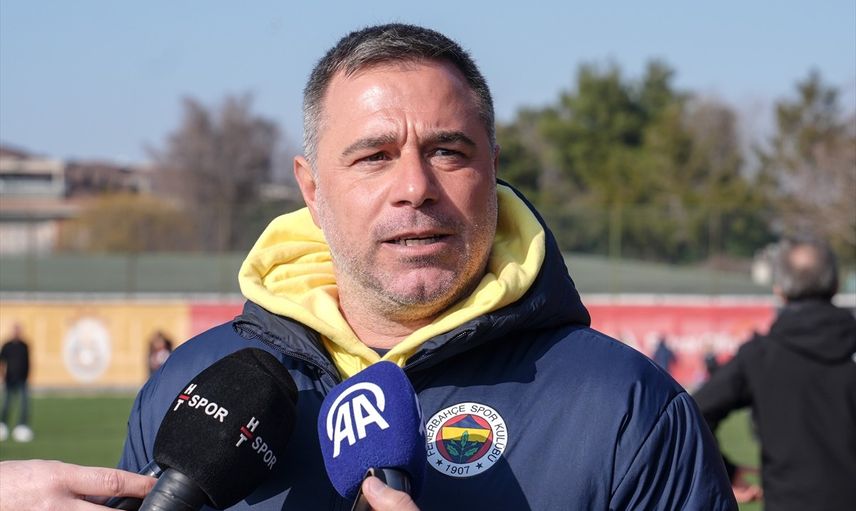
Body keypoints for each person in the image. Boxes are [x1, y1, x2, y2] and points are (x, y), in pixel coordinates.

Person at [2, 24, 736, 510]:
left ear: (493, 168)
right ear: (312, 189)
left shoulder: (628, 409)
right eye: (374, 156)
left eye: (447, 150)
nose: (415, 187)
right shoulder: (191, 384)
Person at [694, 238, 856, 511]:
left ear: (779, 289)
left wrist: (726, 470)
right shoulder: (761, 355)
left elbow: (694, 412)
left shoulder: (760, 356)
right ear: (836, 284)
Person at [0, 323, 33, 443]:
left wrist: (28, 375)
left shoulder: (24, 345)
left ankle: (22, 426)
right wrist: (2, 376)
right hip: (9, 379)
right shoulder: (7, 345)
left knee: (25, 404)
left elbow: (28, 361)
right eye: (15, 330)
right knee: (7, 403)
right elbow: (1, 361)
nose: (16, 332)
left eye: (18, 330)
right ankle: (3, 424)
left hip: (22, 379)